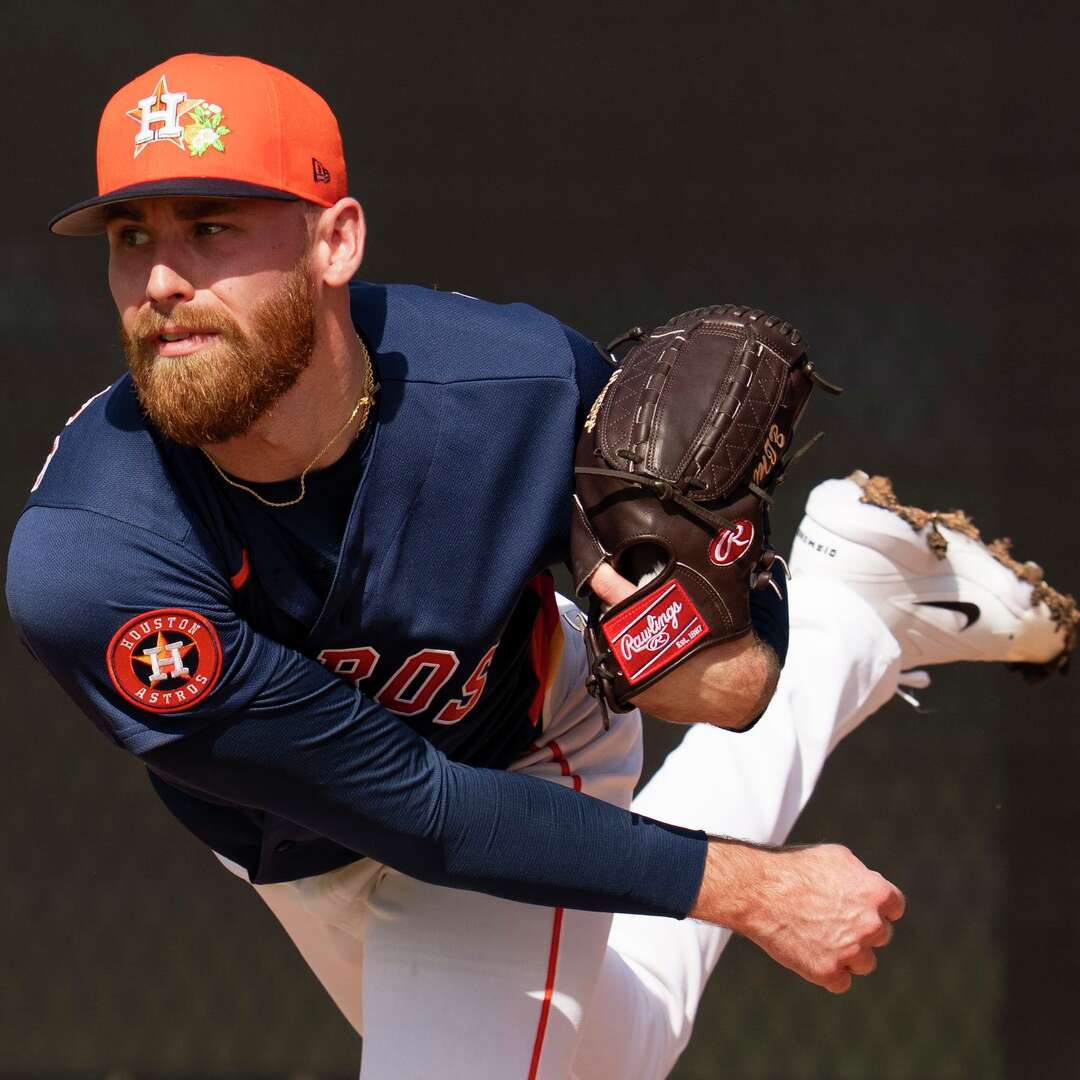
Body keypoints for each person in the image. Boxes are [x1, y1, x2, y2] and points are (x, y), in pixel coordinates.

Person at [6, 53, 1074, 1078]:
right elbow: (407, 808)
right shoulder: (94, 557)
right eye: (130, 234)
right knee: (614, 1052)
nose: (158, 276)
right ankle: (861, 607)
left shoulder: (517, 389)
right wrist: (757, 891)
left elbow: (704, 647)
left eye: (212, 226)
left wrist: (736, 645)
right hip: (305, 841)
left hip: (514, 754)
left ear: (335, 241)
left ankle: (836, 611)